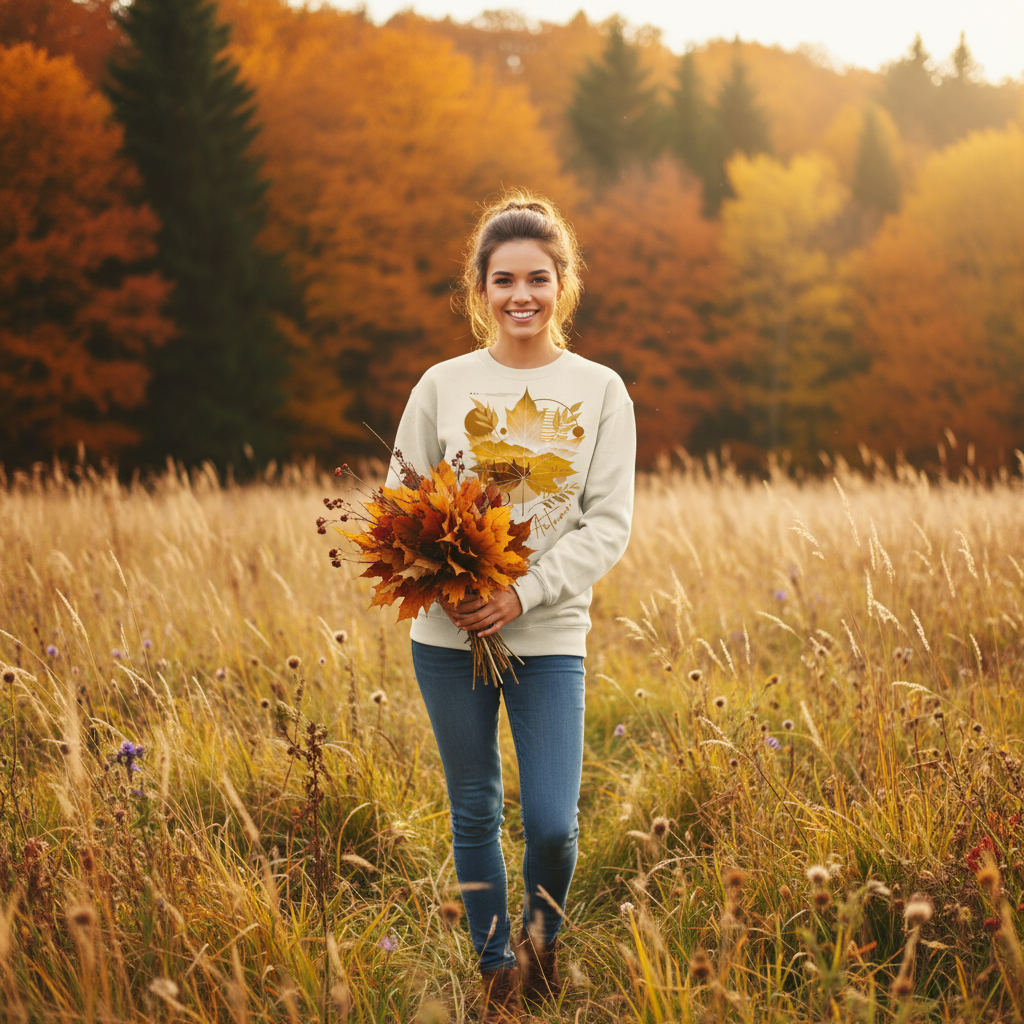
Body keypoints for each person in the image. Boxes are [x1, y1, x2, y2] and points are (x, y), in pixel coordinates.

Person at [388, 191, 635, 1021]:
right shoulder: (442, 383)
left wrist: (520, 592)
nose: (520, 295)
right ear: (480, 289)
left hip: (551, 633)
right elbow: (400, 502)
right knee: (475, 807)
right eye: (503, 280)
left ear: (562, 284)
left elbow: (609, 523)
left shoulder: (600, 390)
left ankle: (541, 939)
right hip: (447, 633)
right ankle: (498, 972)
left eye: (537, 277)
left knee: (554, 822)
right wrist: (452, 587)